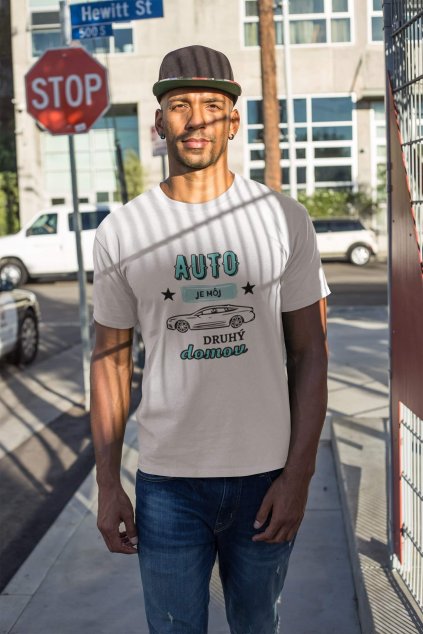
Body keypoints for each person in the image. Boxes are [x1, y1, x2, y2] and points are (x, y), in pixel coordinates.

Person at [91, 44, 330, 633]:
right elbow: (110, 364)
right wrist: (107, 483)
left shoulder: (282, 217)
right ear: (158, 120)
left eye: (211, 104)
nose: (195, 118)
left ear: (233, 118)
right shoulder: (123, 230)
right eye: (179, 104)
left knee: (257, 626)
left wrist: (297, 477)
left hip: (265, 478)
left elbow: (311, 353)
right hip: (168, 483)